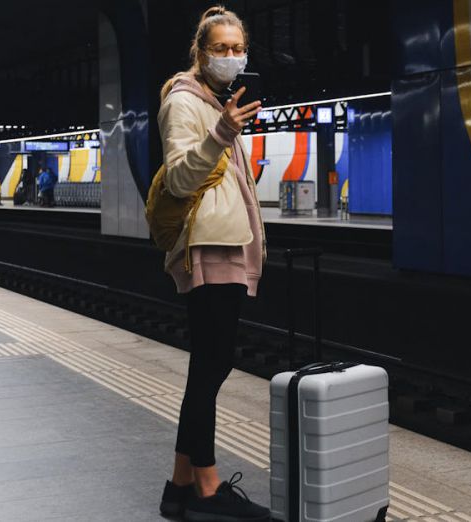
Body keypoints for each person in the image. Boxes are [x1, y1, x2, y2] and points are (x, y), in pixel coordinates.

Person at [156, 5, 268, 522]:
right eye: (220, 48)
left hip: (226, 244)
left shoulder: (214, 101)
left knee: (210, 364)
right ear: (200, 53)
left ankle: (178, 488)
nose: (230, 56)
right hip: (209, 249)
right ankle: (206, 486)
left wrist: (223, 125)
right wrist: (221, 133)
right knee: (211, 366)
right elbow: (180, 180)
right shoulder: (184, 101)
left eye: (237, 48)